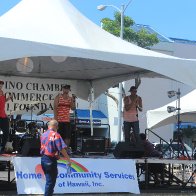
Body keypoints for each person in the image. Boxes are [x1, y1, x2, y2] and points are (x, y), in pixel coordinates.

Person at [40, 119, 71, 196]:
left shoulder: (43, 134)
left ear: (48, 126)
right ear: (56, 127)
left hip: (43, 159)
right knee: (50, 182)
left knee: (49, 181)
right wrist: (68, 159)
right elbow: (61, 148)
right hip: (50, 160)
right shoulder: (56, 135)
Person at [53, 84, 76, 152]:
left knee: (67, 137)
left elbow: (73, 108)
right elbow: (55, 108)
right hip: (59, 120)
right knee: (58, 136)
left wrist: (73, 100)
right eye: (65, 88)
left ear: (69, 90)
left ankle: (65, 151)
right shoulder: (58, 97)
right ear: (62, 89)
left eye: (67, 88)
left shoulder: (70, 98)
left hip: (67, 120)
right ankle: (57, 150)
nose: (66, 90)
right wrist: (55, 119)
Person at [0, 80, 13, 153]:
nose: (0, 86)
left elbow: (3, 102)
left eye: (1, 85)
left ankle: (2, 147)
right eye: (0, 85)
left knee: (6, 132)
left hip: (3, 115)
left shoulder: (2, 93)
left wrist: (8, 98)